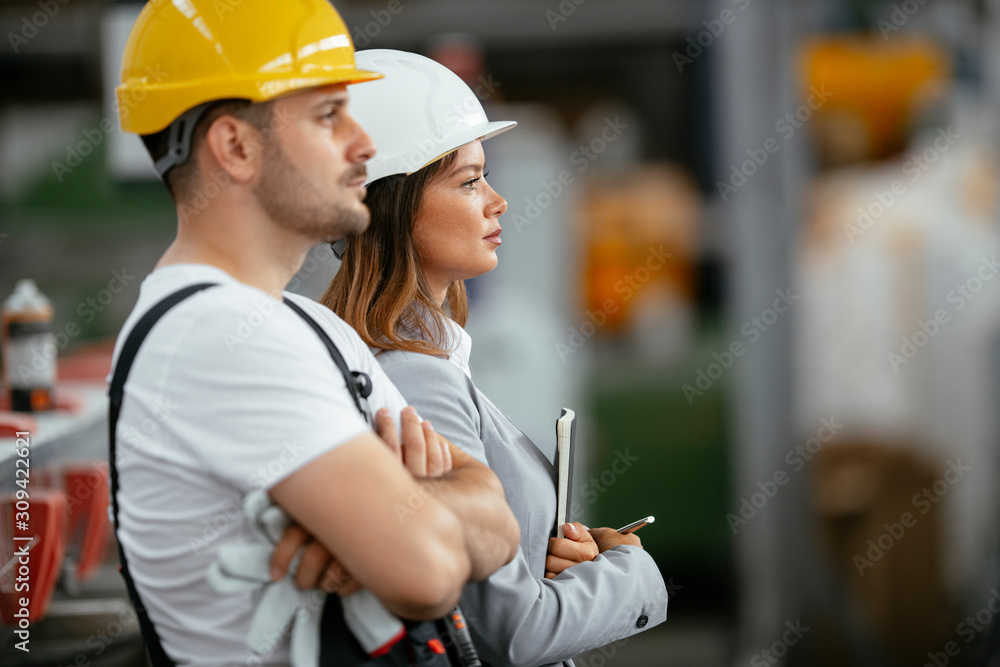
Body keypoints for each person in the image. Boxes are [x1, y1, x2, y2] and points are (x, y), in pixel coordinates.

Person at [110, 3, 519, 664]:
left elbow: (499, 524)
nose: (363, 143)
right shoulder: (218, 337)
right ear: (236, 147)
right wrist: (422, 509)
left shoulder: (311, 326)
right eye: (329, 114)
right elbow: (431, 569)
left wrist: (399, 510)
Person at [321, 49, 669, 667]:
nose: (498, 201)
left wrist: (561, 563)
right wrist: (631, 574)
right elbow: (510, 631)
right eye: (470, 180)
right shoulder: (413, 379)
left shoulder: (406, 357)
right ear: (393, 204)